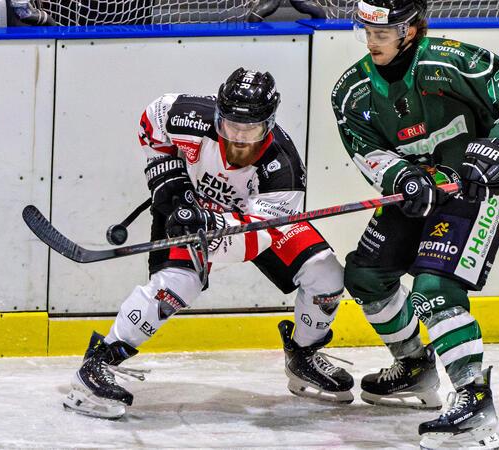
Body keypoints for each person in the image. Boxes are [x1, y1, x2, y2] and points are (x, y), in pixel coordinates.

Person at [63, 67, 354, 419]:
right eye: (231, 125)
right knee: (178, 284)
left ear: (270, 123)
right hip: (185, 208)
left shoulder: (283, 167)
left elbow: (259, 238)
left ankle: (304, 356)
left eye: (251, 129)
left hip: (249, 226)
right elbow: (150, 121)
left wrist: (214, 224)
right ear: (218, 113)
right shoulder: (187, 114)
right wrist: (166, 179)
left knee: (325, 273)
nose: (239, 139)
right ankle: (99, 361)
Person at [331, 0, 499, 448]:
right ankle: (414, 366)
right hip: (417, 193)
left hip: (475, 192)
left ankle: (474, 401)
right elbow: (366, 151)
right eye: (367, 32)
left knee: (434, 288)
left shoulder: (456, 62)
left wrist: (498, 148)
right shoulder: (351, 90)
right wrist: (402, 177)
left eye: (383, 32)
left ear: (410, 30)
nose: (372, 41)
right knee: (366, 275)